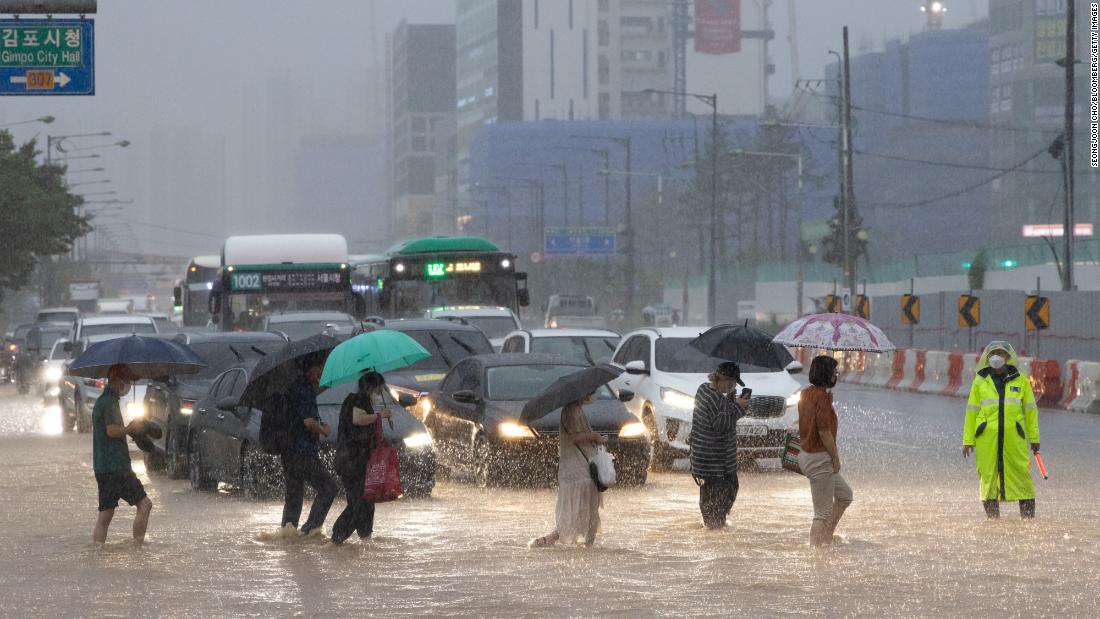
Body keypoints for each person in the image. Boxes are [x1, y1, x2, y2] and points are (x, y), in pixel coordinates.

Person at [963, 341, 1040, 519]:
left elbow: (1030, 411)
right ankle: (993, 523)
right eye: (993, 353)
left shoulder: (1021, 380)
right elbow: (971, 412)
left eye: (1001, 353)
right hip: (986, 440)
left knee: (1022, 477)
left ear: (1007, 357)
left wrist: (1034, 437)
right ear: (987, 357)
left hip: (1015, 440)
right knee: (988, 478)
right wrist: (968, 440)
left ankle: (1028, 523)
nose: (997, 357)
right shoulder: (980, 381)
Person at [530, 392, 607, 548]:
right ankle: (566, 540)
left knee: (587, 502)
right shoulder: (572, 411)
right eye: (591, 391)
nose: (593, 395)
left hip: (579, 463)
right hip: (576, 464)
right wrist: (595, 436)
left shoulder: (575, 409)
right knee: (584, 501)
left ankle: (585, 543)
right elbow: (575, 437)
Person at [92, 364, 153, 544]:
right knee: (145, 505)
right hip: (116, 467)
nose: (128, 385)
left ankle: (97, 551)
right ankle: (138, 547)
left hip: (103, 467)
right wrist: (130, 428)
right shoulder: (110, 403)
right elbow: (111, 431)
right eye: (126, 381)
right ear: (117, 381)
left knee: (106, 513)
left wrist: (129, 430)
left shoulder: (102, 401)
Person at [798, 355, 854, 547]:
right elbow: (824, 432)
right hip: (819, 458)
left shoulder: (807, 393)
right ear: (827, 374)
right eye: (834, 372)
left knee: (845, 495)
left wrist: (827, 403)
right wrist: (835, 458)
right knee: (822, 512)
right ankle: (816, 552)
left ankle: (826, 537)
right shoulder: (821, 397)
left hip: (807, 456)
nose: (836, 375)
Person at [331, 371, 392, 545]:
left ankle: (365, 538)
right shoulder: (358, 399)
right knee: (360, 503)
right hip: (351, 461)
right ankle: (337, 539)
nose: (379, 395)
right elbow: (358, 420)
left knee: (365, 501)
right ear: (369, 387)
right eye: (379, 390)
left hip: (354, 461)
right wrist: (380, 415)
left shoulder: (359, 401)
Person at [279, 359, 339, 536]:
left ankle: (288, 535)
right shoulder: (305, 389)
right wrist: (324, 430)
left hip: (288, 451)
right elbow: (308, 422)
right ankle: (310, 531)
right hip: (302, 452)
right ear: (311, 368)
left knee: (294, 498)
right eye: (320, 369)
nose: (322, 373)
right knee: (329, 488)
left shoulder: (293, 387)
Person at [689, 361, 751, 530]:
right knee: (725, 492)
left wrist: (730, 402)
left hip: (704, 461)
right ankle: (715, 529)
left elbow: (717, 413)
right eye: (732, 383)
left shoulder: (704, 389)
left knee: (711, 496)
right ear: (726, 380)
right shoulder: (715, 397)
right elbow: (721, 425)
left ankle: (711, 526)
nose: (733, 386)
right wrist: (738, 407)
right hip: (716, 463)